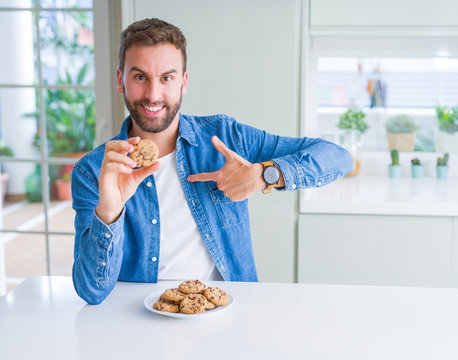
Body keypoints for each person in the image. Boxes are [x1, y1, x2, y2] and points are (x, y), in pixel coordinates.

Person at [72, 18, 353, 305]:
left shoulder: (226, 137)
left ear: (184, 82)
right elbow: (91, 292)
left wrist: (263, 175)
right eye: (140, 77)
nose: (153, 95)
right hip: (139, 323)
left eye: (167, 78)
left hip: (230, 317)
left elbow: (338, 157)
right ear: (121, 80)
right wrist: (109, 211)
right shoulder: (92, 171)